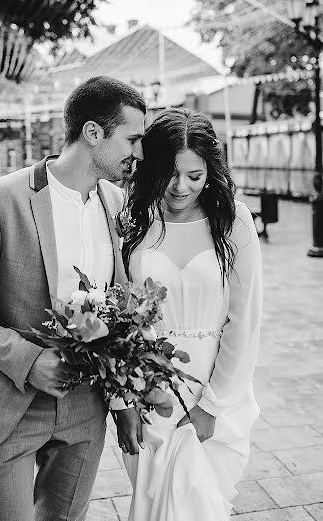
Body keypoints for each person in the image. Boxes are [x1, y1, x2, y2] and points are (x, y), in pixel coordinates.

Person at [0, 76, 146, 521]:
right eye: (131, 139)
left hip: (86, 409)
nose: (137, 152)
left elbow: (119, 301)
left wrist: (123, 402)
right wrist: (29, 361)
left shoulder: (114, 199)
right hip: (8, 404)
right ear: (93, 133)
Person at [116, 108, 262, 520]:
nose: (181, 187)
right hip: (149, 393)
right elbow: (120, 318)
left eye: (194, 176)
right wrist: (123, 397)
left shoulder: (233, 221)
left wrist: (211, 406)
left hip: (217, 390)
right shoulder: (132, 221)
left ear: (210, 171)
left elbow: (244, 321)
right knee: (154, 507)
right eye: (169, 173)